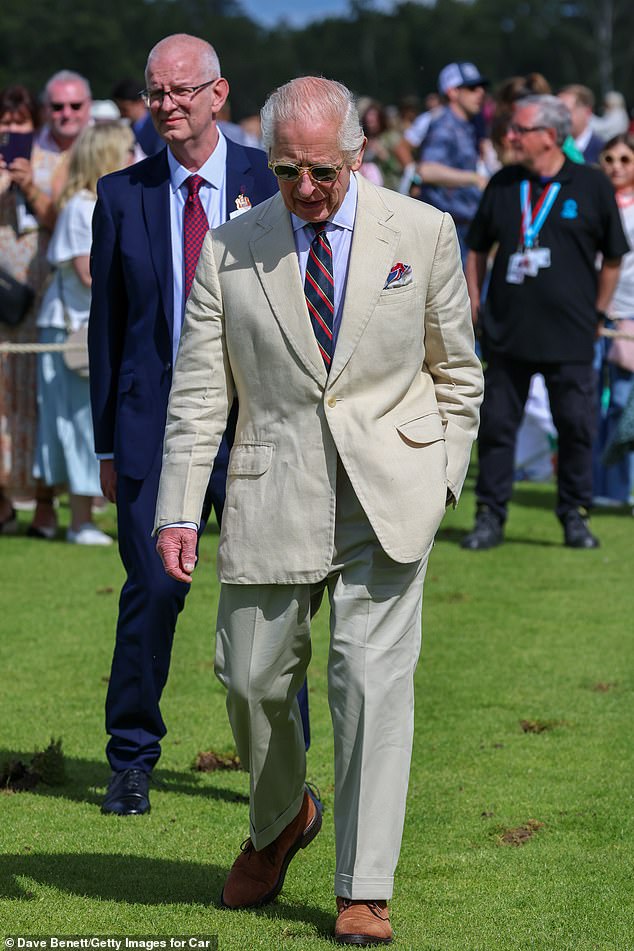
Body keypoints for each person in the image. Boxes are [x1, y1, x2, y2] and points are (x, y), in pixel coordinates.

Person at [154, 76, 483, 945]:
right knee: (252, 679)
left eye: (322, 173)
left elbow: (458, 373)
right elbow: (197, 395)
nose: (305, 189)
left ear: (357, 153)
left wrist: (443, 472)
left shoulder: (424, 230)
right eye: (288, 170)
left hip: (391, 495)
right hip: (272, 490)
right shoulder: (229, 249)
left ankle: (363, 884)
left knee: (370, 686)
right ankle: (280, 819)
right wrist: (177, 509)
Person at [88, 33, 306, 817]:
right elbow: (107, 331)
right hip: (154, 433)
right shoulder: (122, 195)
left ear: (218, 94)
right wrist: (108, 441)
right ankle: (131, 759)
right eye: (157, 93)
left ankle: (287, 767)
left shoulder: (275, 178)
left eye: (183, 91)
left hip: (258, 429)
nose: (169, 105)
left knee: (275, 600)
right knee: (150, 591)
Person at [462, 95, 629, 551]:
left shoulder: (592, 186)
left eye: (519, 129)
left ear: (550, 136)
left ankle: (575, 515)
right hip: (507, 332)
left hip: (572, 334)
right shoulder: (503, 183)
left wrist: (598, 311)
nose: (509, 137)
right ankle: (489, 516)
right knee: (497, 429)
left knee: (576, 427)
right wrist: (475, 300)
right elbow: (476, 248)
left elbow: (614, 257)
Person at [34, 122, 135, 545]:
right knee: (78, 425)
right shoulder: (80, 206)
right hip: (72, 331)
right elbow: (87, 273)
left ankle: (81, 516)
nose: (136, 155)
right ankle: (79, 521)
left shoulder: (99, 202)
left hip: (91, 327)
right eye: (128, 149)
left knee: (86, 423)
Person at [0, 74, 92, 538]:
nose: (66, 115)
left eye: (74, 106)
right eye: (57, 107)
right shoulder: (27, 150)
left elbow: (66, 224)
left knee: (38, 400)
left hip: (43, 284)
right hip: (6, 276)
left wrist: (30, 189)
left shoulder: (91, 153)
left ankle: (43, 501)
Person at [593, 133, 634, 505]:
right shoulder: (592, 200)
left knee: (622, 402)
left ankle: (620, 488)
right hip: (590, 312)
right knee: (587, 403)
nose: (616, 167)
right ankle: (591, 485)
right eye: (609, 159)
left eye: (625, 159)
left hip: (628, 314)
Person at [415, 62, 490, 260]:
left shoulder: (468, 124)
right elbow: (426, 170)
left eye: (481, 87)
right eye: (472, 88)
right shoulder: (445, 125)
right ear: (453, 92)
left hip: (463, 225)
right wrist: (474, 178)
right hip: (450, 229)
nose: (481, 93)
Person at [111, 78, 163, 157]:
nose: (121, 114)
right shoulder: (125, 128)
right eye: (119, 109)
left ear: (141, 102)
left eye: (124, 109)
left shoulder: (158, 126)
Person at [558, 85, 605, 164]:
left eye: (565, 111)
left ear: (587, 112)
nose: (559, 117)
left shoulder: (603, 151)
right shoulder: (553, 149)